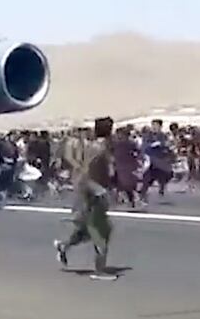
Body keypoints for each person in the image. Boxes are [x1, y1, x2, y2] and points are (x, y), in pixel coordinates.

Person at [54, 117, 116, 281]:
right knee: (100, 230)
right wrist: (97, 190)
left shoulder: (98, 146)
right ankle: (99, 271)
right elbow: (86, 172)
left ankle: (63, 245)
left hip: (90, 191)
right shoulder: (98, 148)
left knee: (87, 229)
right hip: (92, 192)